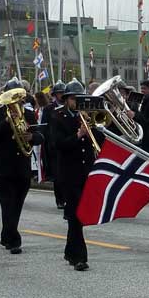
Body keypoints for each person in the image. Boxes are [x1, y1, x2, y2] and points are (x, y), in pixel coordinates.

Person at [0, 79, 45, 255]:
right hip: (3, 165)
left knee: (17, 203)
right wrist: (6, 121)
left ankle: (7, 234)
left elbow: (40, 135)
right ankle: (14, 240)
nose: (16, 101)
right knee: (7, 203)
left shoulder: (27, 114)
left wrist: (31, 137)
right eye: (12, 97)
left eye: (18, 97)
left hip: (22, 165)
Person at [50, 80, 102, 271]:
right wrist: (78, 135)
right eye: (73, 99)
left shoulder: (88, 116)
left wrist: (94, 131)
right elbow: (57, 144)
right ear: (66, 100)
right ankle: (80, 256)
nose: (76, 102)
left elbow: (100, 140)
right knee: (76, 214)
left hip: (86, 171)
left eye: (79, 98)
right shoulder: (58, 116)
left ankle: (70, 251)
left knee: (77, 215)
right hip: (68, 172)